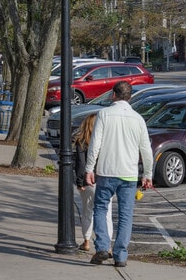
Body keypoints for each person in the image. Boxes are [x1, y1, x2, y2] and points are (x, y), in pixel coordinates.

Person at [85, 81, 153, 268]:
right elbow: (146, 149)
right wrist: (148, 174)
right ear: (130, 97)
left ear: (113, 95)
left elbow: (95, 144)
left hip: (106, 170)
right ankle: (121, 255)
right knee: (125, 215)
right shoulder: (138, 118)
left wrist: (89, 168)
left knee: (100, 208)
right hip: (129, 174)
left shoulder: (104, 114)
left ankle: (102, 246)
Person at [73, 113, 113, 252]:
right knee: (106, 213)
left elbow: (80, 163)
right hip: (104, 179)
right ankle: (107, 245)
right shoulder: (106, 141)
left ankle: (86, 241)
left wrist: (79, 181)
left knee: (87, 211)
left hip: (88, 181)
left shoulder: (82, 141)